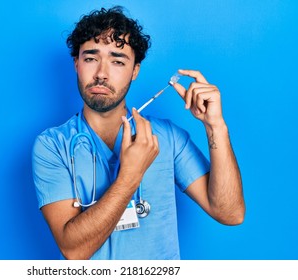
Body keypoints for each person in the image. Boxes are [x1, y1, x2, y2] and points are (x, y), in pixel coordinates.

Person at [32, 6, 245, 260]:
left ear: (135, 70)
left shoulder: (168, 138)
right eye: (90, 58)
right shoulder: (52, 146)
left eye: (117, 61)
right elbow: (74, 250)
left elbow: (230, 212)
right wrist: (130, 176)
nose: (101, 73)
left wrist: (215, 126)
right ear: (76, 63)